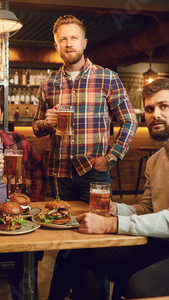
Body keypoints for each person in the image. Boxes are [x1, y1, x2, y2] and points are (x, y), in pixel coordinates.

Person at [48, 78, 169, 299]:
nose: (155, 114)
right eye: (149, 108)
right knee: (81, 257)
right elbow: (148, 208)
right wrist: (114, 209)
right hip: (158, 242)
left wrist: (110, 224)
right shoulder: (155, 160)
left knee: (139, 286)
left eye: (163, 106)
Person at [32, 14, 137, 203]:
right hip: (58, 173)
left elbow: (130, 121)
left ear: (84, 43)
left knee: (99, 226)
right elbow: (36, 128)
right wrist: (47, 124)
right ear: (56, 46)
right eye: (63, 39)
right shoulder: (48, 83)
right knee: (61, 227)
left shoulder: (107, 78)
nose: (68, 43)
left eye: (74, 38)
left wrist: (111, 158)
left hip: (94, 172)